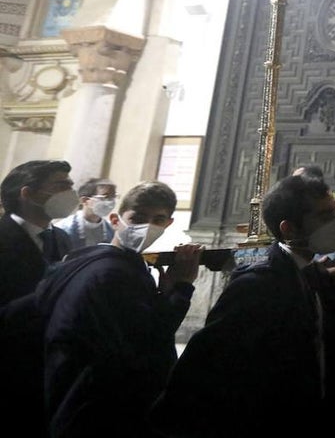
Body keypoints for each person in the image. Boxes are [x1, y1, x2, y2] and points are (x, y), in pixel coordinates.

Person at [151, 173, 335, 437]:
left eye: (334, 213)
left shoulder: (315, 275)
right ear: (289, 228)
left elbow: (332, 351)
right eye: (324, 216)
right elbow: (202, 368)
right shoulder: (256, 287)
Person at [37, 181, 202, 438]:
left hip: (79, 396)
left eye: (157, 219)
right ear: (115, 219)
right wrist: (181, 288)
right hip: (98, 409)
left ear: (168, 224)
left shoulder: (99, 259)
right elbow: (147, 342)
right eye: (137, 217)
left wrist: (164, 292)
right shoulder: (114, 272)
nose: (147, 226)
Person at [0, 159, 76, 438]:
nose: (70, 192)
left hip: (52, 366)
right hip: (10, 366)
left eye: (71, 185)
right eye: (61, 185)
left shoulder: (63, 239)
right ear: (27, 193)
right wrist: (43, 294)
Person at [54, 177, 117, 253]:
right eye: (105, 197)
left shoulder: (112, 230)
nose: (110, 202)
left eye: (113, 197)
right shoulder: (63, 229)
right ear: (85, 200)